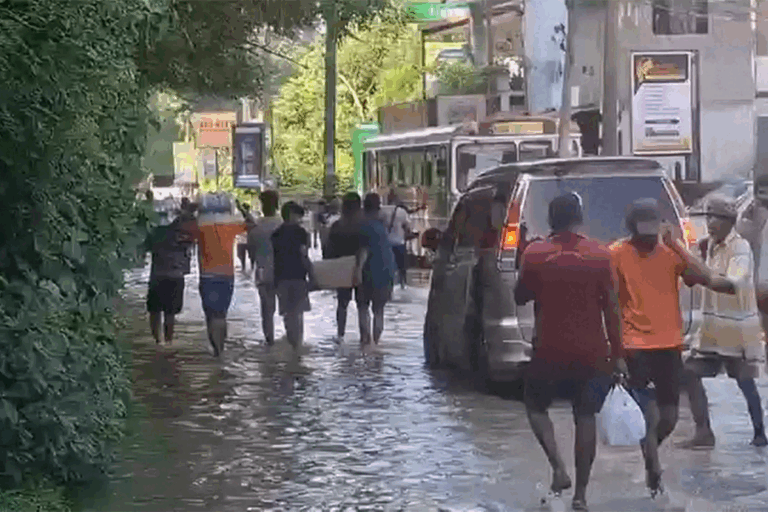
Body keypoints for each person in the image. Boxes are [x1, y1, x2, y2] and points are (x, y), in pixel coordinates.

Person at [609, 198, 735, 496]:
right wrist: (615, 352)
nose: (649, 239)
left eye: (654, 232)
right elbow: (611, 305)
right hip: (635, 346)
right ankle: (653, 469)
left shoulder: (671, 253)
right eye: (644, 233)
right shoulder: (615, 254)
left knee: (670, 417)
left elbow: (708, 278)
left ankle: (648, 447)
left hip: (669, 346)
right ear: (631, 229)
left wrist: (678, 245)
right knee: (649, 414)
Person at [514, 193, 624, 511]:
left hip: (549, 350)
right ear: (580, 218)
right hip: (592, 352)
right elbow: (612, 310)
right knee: (585, 416)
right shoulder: (600, 255)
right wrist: (618, 354)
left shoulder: (536, 253)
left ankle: (558, 468)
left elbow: (520, 296)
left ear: (551, 220)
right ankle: (581, 496)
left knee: (535, 406)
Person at [682, 195, 767, 447]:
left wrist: (702, 276)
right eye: (707, 217)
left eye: (715, 218)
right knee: (689, 373)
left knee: (745, 382)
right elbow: (688, 269)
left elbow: (734, 283)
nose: (709, 222)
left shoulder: (739, 247)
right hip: (712, 331)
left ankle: (760, 432)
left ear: (729, 222)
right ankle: (703, 432)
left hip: (737, 332)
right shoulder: (708, 246)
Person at [195, 193, 255, 357]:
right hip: (227, 275)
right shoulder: (230, 226)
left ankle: (216, 351)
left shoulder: (200, 226)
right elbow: (252, 224)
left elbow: (181, 227)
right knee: (221, 315)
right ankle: (220, 351)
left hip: (207, 275)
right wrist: (243, 209)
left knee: (210, 315)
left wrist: (190, 209)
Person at [144, 208, 196, 345]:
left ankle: (158, 342)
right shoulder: (186, 235)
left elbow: (144, 248)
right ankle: (168, 342)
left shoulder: (156, 233)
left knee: (155, 311)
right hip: (175, 277)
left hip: (157, 276)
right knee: (169, 313)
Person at [271, 201, 317, 350]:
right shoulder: (301, 233)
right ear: (292, 215)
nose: (300, 219)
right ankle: (297, 347)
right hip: (298, 277)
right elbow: (303, 255)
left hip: (281, 278)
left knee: (287, 313)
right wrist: (313, 275)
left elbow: (273, 258)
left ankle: (292, 344)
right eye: (298, 216)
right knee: (298, 314)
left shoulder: (275, 234)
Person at [354, 193, 396, 345]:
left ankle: (365, 343)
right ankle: (376, 344)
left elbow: (364, 251)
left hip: (368, 271)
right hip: (386, 270)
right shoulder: (381, 226)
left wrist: (357, 272)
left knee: (363, 308)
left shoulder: (363, 226)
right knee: (379, 311)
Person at [245, 190, 283, 346]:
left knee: (267, 312)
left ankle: (270, 342)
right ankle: (293, 346)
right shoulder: (283, 224)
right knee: (288, 311)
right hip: (282, 272)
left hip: (262, 272)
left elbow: (251, 253)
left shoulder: (256, 227)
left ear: (261, 205)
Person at [327, 192, 364, 341]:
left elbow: (329, 249)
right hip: (361, 267)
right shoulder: (363, 225)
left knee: (342, 304)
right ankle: (364, 337)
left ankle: (340, 335)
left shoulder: (337, 225)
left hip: (342, 268)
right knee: (362, 305)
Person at [380, 191, 411, 289]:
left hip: (386, 244)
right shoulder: (402, 212)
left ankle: (389, 285)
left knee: (388, 266)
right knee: (402, 265)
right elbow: (407, 228)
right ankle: (403, 283)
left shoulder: (382, 211)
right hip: (399, 243)